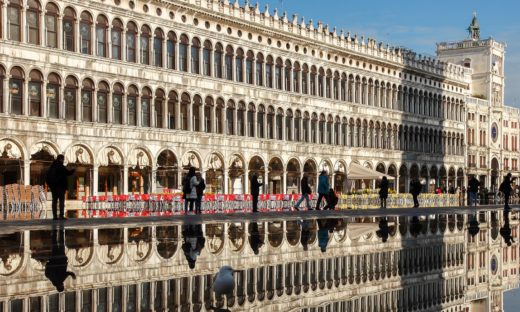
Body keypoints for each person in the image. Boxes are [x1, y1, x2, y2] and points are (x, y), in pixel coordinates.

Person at [45, 225, 76, 292]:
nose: (63, 285)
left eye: (62, 286)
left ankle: (60, 230)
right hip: (55, 258)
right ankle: (55, 230)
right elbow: (67, 273)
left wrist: (73, 275)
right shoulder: (53, 279)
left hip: (59, 258)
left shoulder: (58, 280)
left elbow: (67, 273)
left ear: (60, 286)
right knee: (55, 243)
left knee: (60, 243)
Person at [46, 154, 75, 220]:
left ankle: (54, 216)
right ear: (61, 159)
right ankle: (61, 215)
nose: (63, 160)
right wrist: (73, 170)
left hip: (53, 187)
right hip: (60, 187)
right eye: (63, 159)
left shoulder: (52, 167)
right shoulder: (60, 166)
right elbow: (68, 173)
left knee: (54, 201)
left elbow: (47, 177)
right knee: (61, 201)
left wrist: (50, 185)